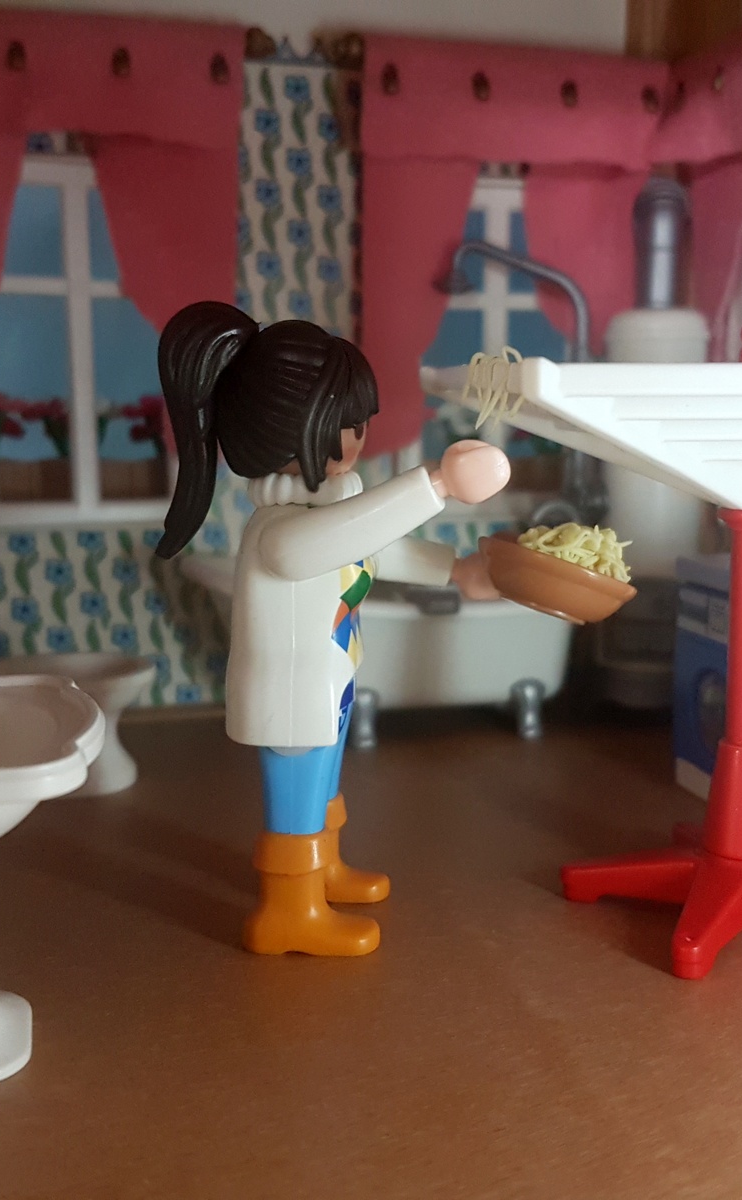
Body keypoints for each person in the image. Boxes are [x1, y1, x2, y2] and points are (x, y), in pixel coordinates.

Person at [154, 301, 508, 956]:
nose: (357, 441)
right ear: (287, 433)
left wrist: (456, 571)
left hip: (329, 683)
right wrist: (435, 484)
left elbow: (371, 546)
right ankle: (289, 910)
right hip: (291, 697)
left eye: (358, 425)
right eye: (343, 427)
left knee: (324, 789)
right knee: (295, 804)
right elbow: (351, 536)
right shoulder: (281, 533)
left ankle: (327, 870)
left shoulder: (325, 513)